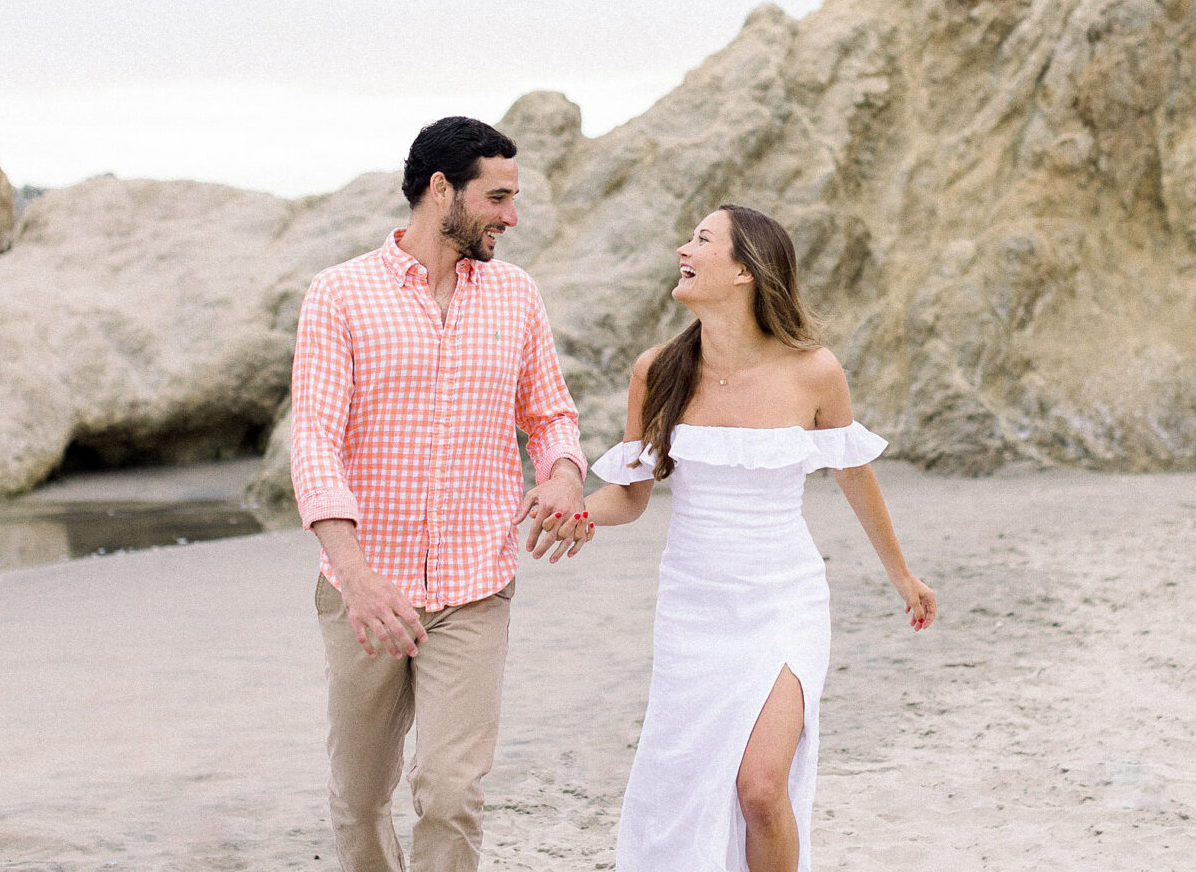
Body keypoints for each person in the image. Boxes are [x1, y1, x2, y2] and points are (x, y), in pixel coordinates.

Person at [534, 203, 936, 872]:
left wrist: (902, 574)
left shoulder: (814, 371)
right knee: (689, 785)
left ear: (746, 270)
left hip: (784, 599)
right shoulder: (658, 370)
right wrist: (576, 509)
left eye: (700, 239)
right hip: (693, 608)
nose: (681, 248)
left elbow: (855, 475)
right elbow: (631, 496)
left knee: (759, 788)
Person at [289, 116, 590, 872]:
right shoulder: (339, 295)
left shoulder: (516, 296)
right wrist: (355, 577)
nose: (511, 217)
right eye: (498, 197)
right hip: (367, 587)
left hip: (474, 585)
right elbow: (315, 442)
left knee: (452, 792)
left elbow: (550, 413)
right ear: (440, 189)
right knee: (361, 797)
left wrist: (561, 473)